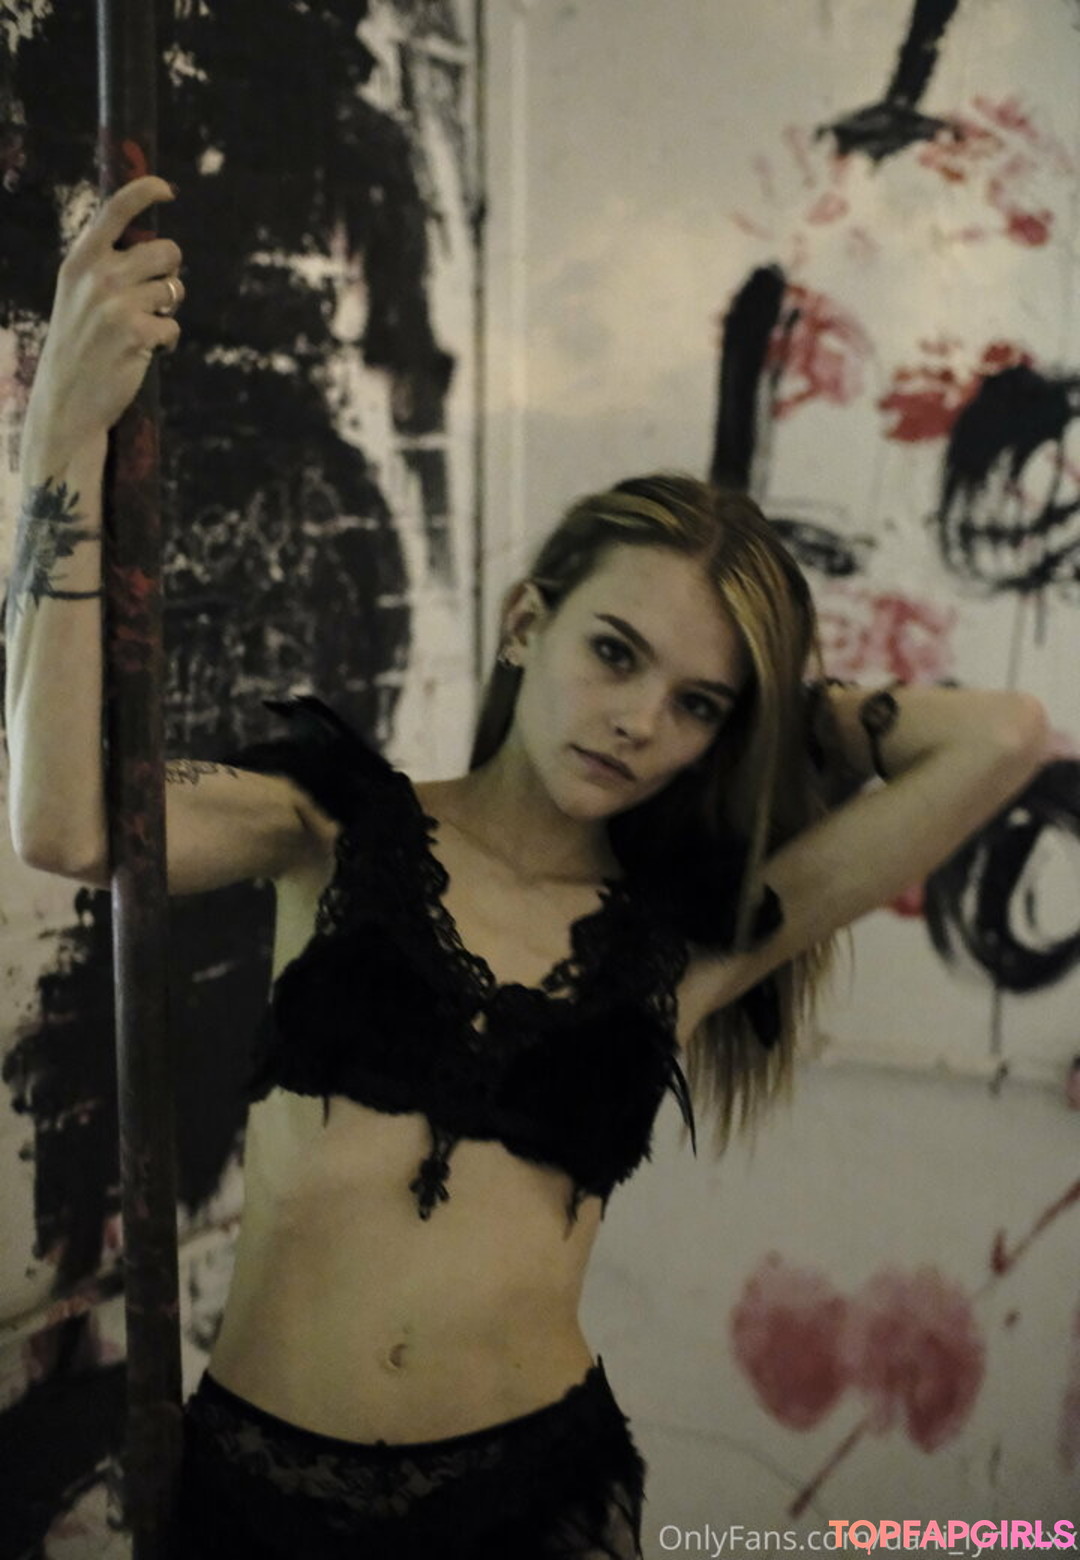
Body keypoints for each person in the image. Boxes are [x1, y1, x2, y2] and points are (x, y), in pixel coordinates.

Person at [4, 177, 1050, 1559]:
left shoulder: (692, 936)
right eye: (616, 653)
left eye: (695, 704)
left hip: (535, 1503)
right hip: (256, 1490)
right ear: (524, 626)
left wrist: (781, 706)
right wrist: (62, 435)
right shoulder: (333, 823)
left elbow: (1001, 738)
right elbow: (67, 824)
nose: (639, 721)